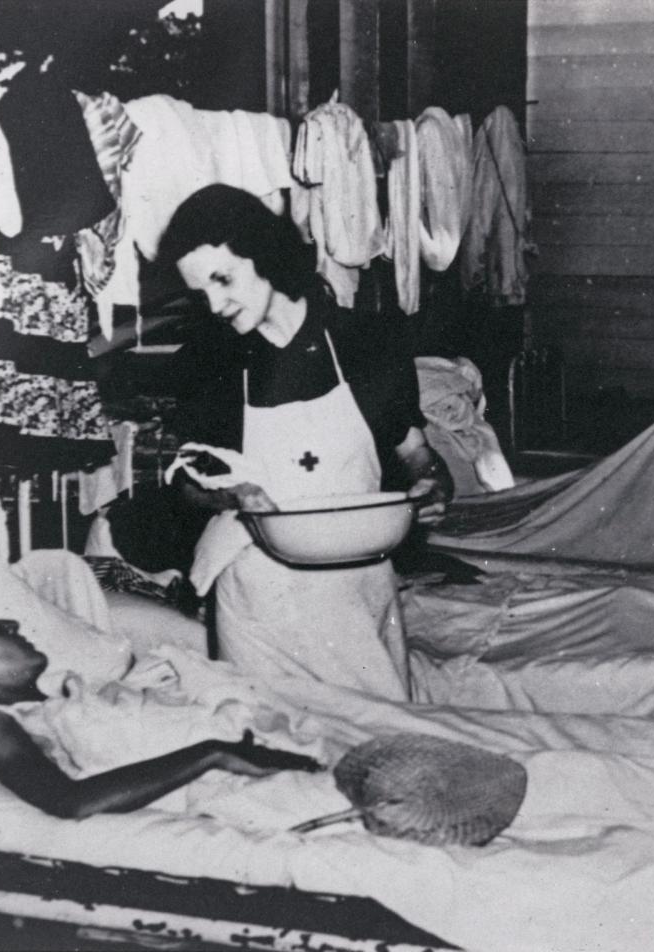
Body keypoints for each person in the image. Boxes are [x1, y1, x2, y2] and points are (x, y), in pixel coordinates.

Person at [99, 184, 454, 700]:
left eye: (224, 279)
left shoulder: (365, 343)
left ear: (263, 254)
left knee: (380, 737)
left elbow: (414, 451)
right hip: (259, 598)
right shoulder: (211, 362)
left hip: (358, 592)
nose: (216, 304)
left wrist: (432, 483)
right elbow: (189, 482)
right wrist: (231, 494)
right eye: (203, 293)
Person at [0, 598, 321, 819]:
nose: (11, 625)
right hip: (221, 782)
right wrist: (212, 753)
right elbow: (66, 801)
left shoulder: (68, 698)